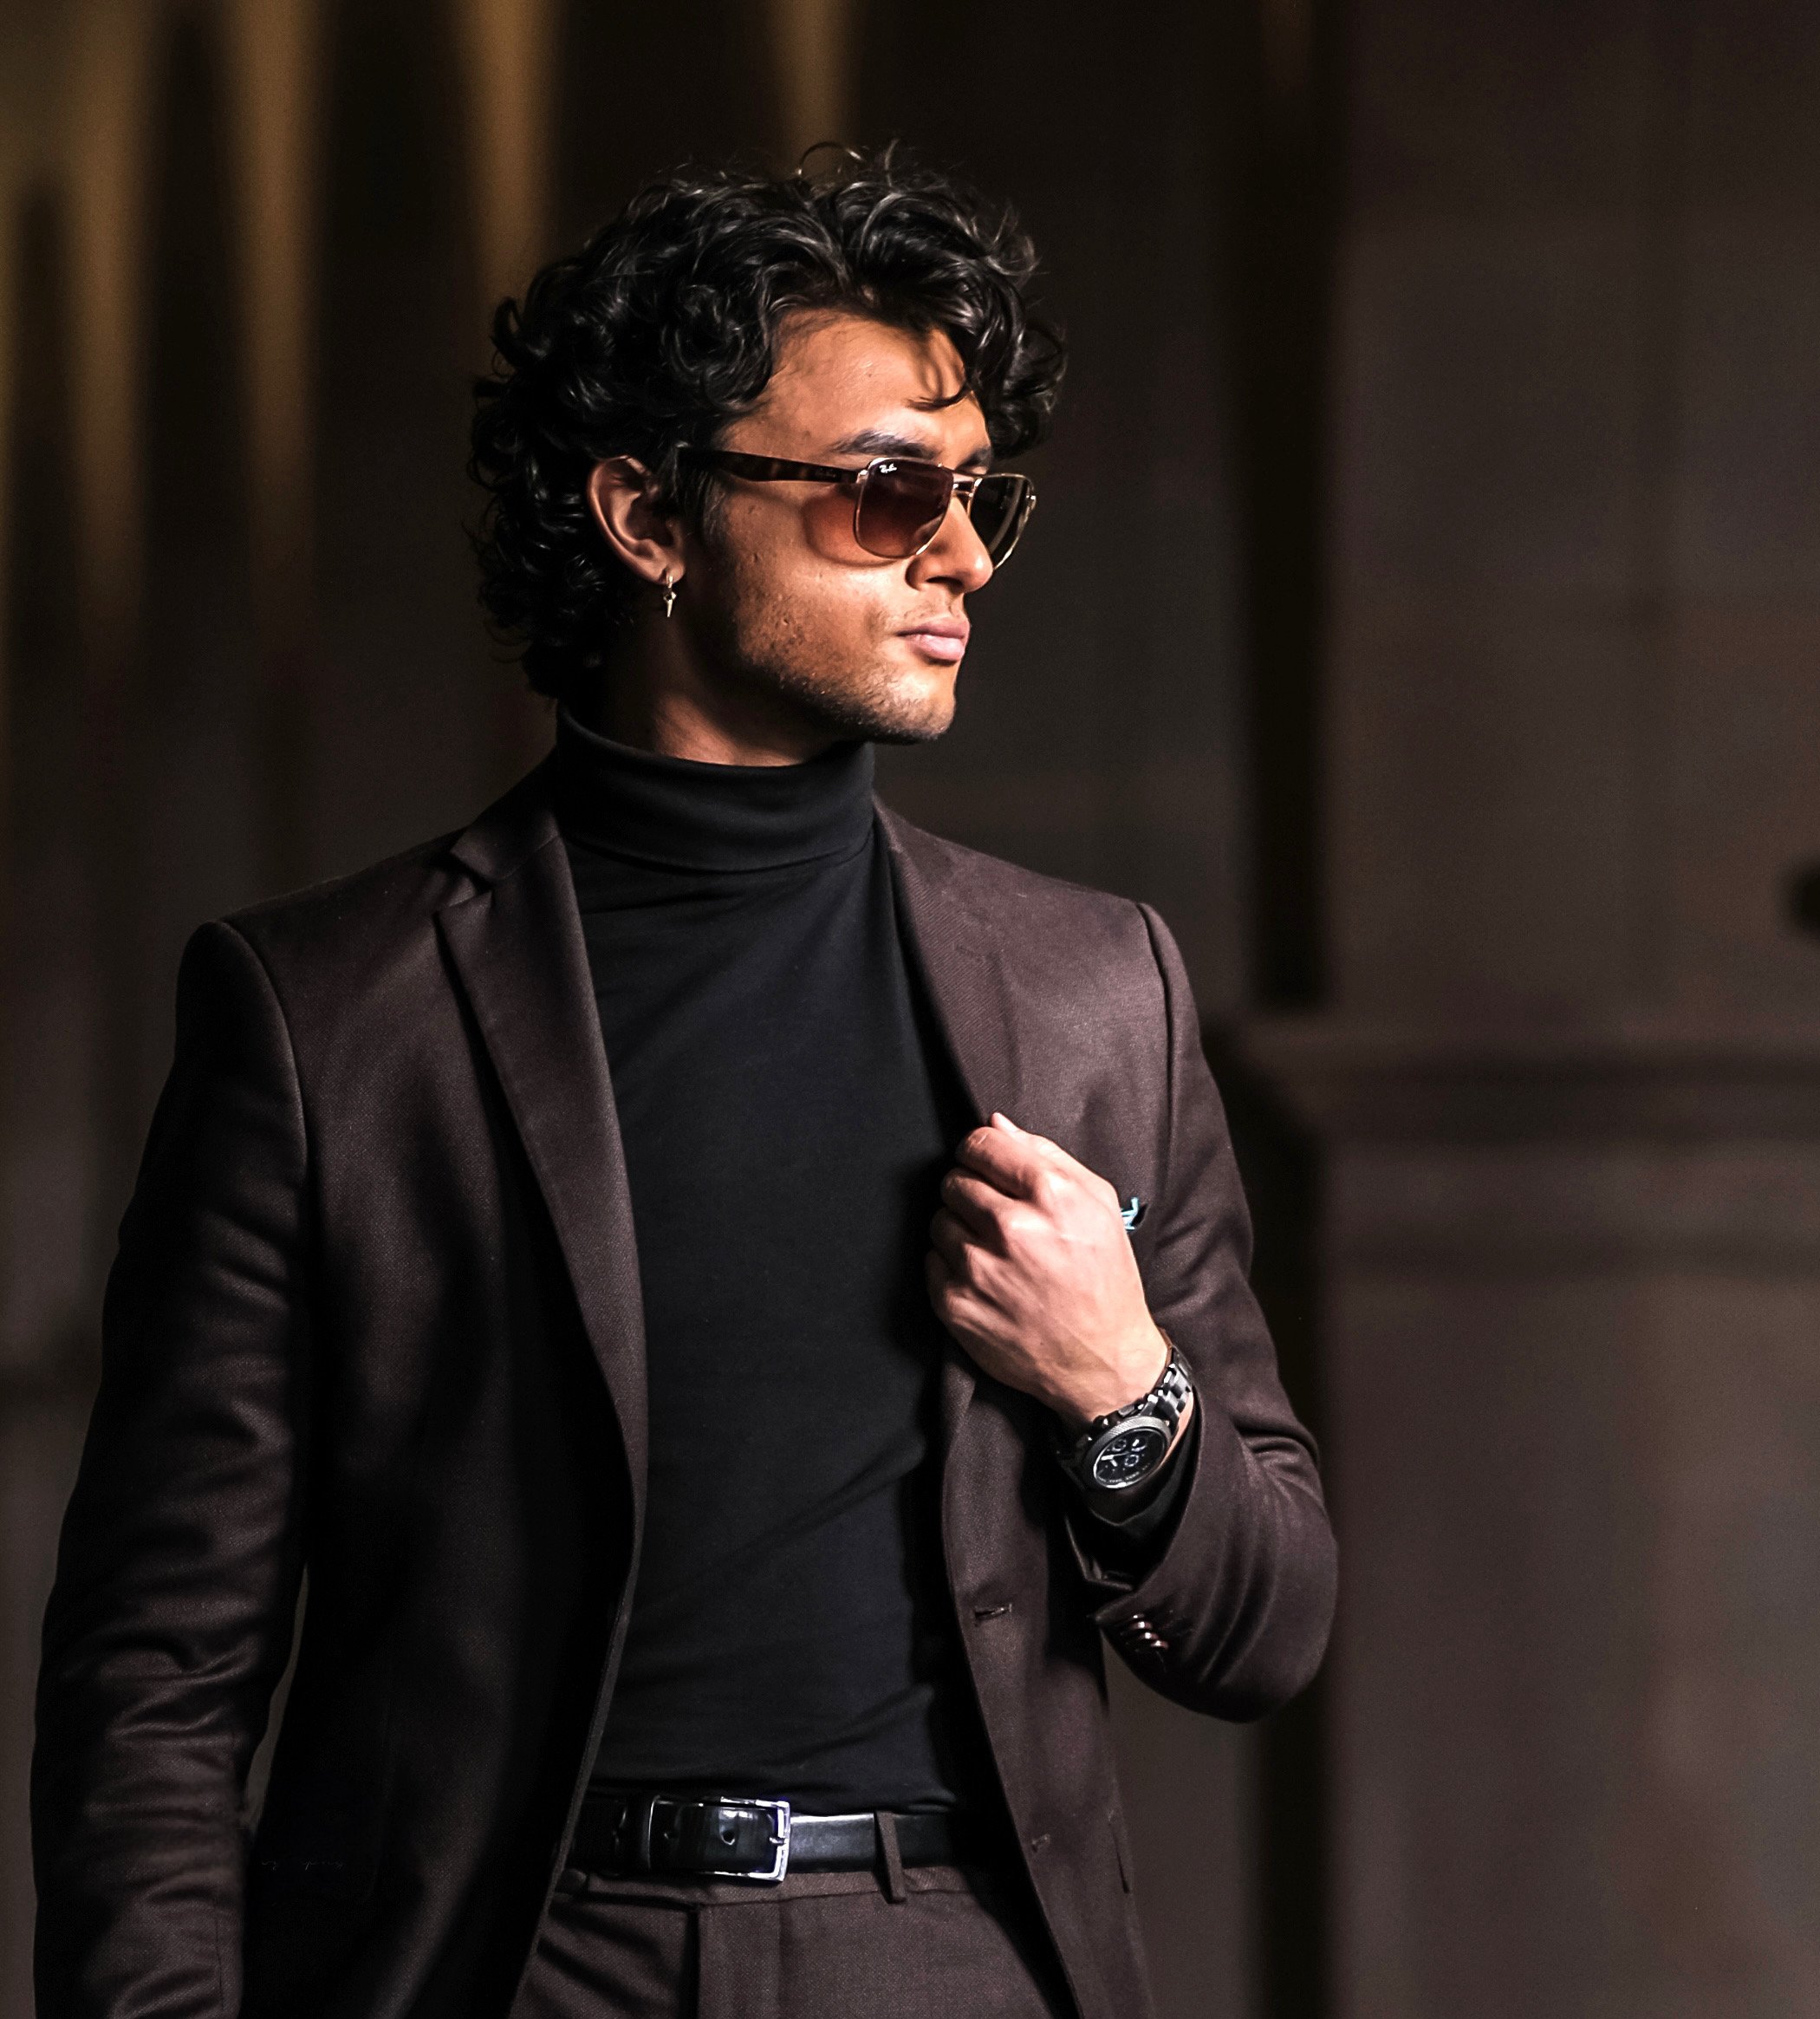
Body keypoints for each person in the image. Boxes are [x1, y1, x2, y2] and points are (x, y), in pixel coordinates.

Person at [32, 154, 1335, 2019]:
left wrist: (1121, 1385)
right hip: (511, 1968)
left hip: (948, 1959)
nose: (961, 557)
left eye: (978, 496)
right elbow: (156, 1675)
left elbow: (1266, 1627)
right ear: (648, 514)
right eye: (889, 491)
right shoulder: (326, 1015)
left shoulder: (1092, 990)